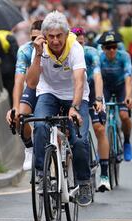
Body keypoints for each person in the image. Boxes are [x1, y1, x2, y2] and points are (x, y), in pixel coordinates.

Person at [26, 11, 92, 206]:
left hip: (75, 95)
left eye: (59, 36)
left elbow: (79, 81)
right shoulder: (39, 48)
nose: (55, 41)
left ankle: (83, 182)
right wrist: (38, 54)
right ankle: (41, 174)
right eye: (51, 36)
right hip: (49, 93)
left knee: (79, 139)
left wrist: (75, 107)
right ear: (45, 36)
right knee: (39, 126)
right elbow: (31, 83)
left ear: (65, 34)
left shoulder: (75, 48)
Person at [71, 27, 110, 192]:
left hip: (93, 92)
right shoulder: (68, 53)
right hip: (74, 95)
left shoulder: (91, 53)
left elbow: (97, 76)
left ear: (84, 41)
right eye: (75, 43)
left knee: (99, 128)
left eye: (81, 42)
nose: (79, 46)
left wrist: (99, 99)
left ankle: (105, 176)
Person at [6, 20, 42, 171]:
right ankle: (29, 148)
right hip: (34, 87)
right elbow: (19, 80)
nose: (37, 42)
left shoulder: (55, 48)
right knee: (19, 116)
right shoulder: (25, 50)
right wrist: (14, 107)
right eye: (33, 38)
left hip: (52, 89)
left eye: (41, 38)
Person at [98, 31, 132, 162]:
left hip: (121, 87)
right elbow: (97, 79)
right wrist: (98, 99)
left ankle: (127, 143)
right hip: (106, 87)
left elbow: (128, 78)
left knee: (124, 116)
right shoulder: (99, 58)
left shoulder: (125, 57)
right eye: (108, 47)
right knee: (101, 120)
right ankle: (102, 149)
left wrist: (128, 96)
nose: (112, 50)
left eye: (114, 46)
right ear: (103, 48)